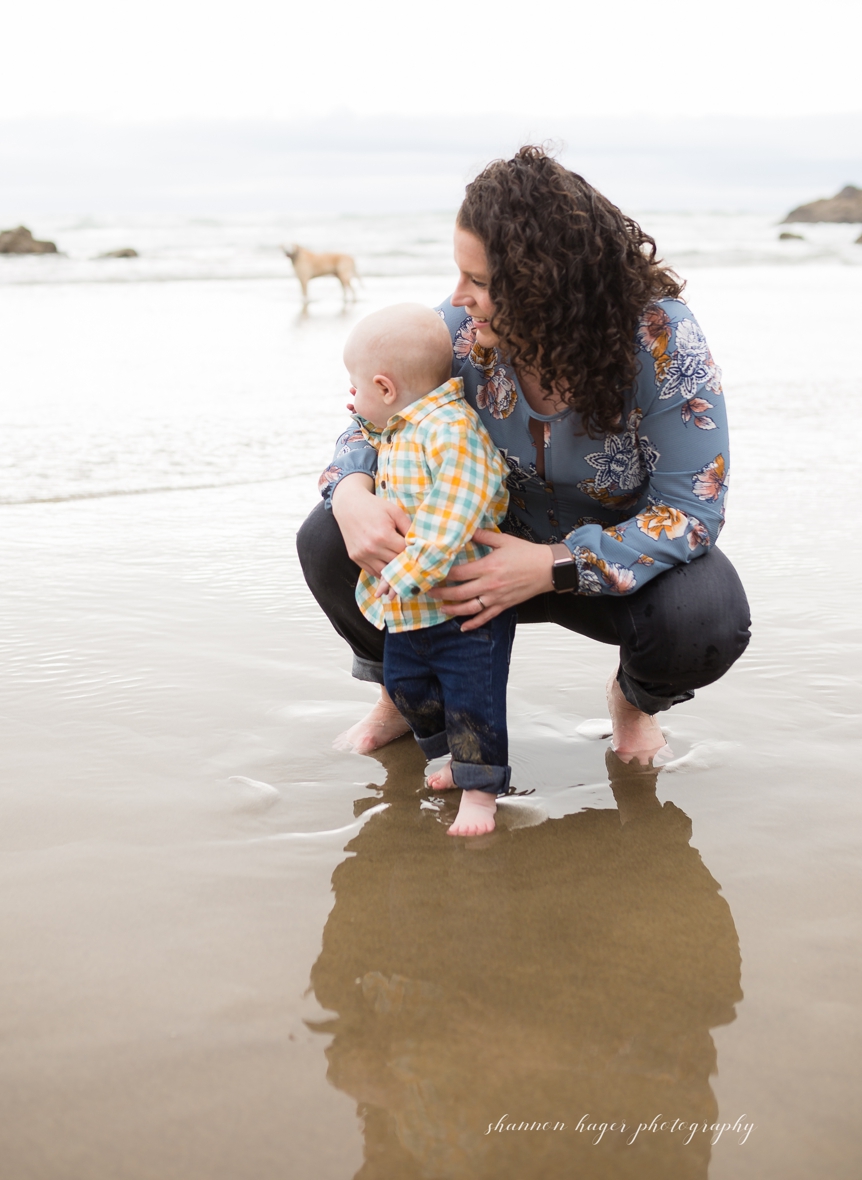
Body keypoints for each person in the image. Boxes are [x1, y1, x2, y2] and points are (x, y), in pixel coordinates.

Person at [298, 146, 749, 764]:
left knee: (706, 618)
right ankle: (405, 692)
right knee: (327, 538)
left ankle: (634, 700)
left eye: (480, 282)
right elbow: (372, 422)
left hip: (606, 569)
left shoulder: (661, 341)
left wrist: (551, 565)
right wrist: (350, 495)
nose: (459, 297)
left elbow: (692, 508)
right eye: (461, 274)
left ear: (547, 288)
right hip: (470, 559)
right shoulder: (457, 331)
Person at [340, 303, 514, 836]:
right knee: (407, 685)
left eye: (356, 387)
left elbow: (451, 512)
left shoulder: (452, 430)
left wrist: (408, 570)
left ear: (385, 387)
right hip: (410, 608)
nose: (351, 399)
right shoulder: (396, 426)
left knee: (472, 698)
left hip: (463, 601)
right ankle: (446, 759)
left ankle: (481, 793)